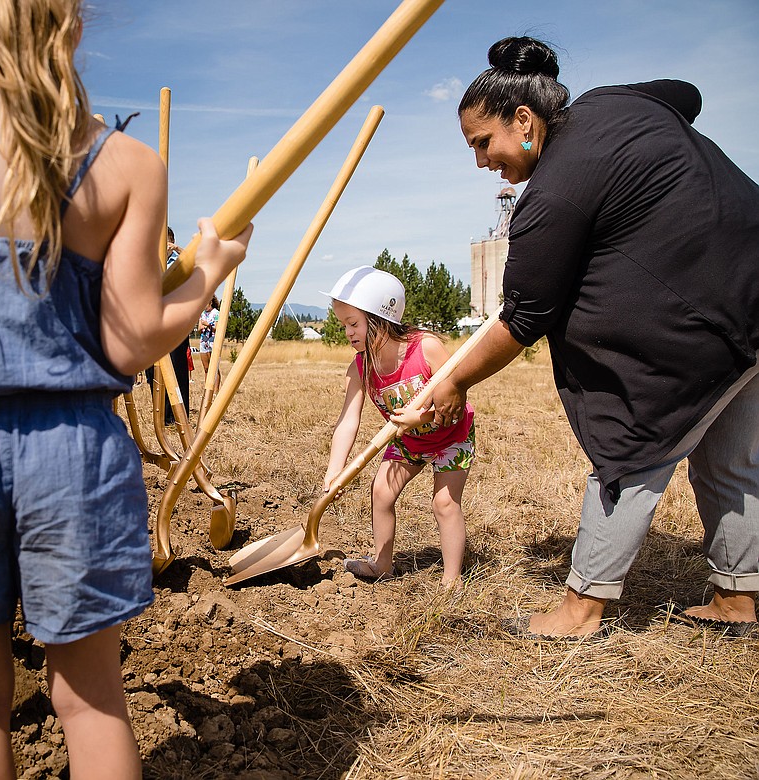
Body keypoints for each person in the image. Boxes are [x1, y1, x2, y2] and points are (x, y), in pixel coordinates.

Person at [0, 1, 250, 777]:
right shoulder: (127, 164)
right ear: (73, 27)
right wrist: (208, 271)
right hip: (70, 455)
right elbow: (129, 337)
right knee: (90, 699)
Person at [433, 36, 759, 638]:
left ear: (524, 120)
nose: (481, 161)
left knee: (634, 447)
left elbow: (523, 318)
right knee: (731, 454)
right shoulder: (612, 104)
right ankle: (738, 601)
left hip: (699, 322)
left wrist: (452, 379)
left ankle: (580, 609)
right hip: (751, 292)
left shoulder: (553, 193)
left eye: (483, 142)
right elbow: (686, 95)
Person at [322, 267, 475, 590]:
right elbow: (349, 419)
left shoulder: (426, 348)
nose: (347, 333)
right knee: (381, 491)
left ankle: (452, 580)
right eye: (343, 325)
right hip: (408, 440)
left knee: (444, 503)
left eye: (353, 324)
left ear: (380, 318)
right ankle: (382, 563)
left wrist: (420, 419)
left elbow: (456, 401)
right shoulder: (361, 366)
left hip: (451, 435)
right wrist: (334, 470)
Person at [145, 227, 192, 425]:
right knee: (151, 371)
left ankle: (179, 416)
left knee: (177, 369)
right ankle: (162, 414)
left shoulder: (180, 262)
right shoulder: (149, 262)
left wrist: (179, 250)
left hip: (175, 323)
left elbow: (198, 263)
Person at [197, 294, 221, 393]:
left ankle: (215, 391)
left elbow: (218, 328)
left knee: (214, 368)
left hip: (213, 342)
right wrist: (202, 327)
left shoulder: (216, 313)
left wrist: (208, 325)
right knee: (206, 368)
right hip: (203, 342)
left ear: (210, 302)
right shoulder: (202, 314)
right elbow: (199, 329)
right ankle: (208, 391)